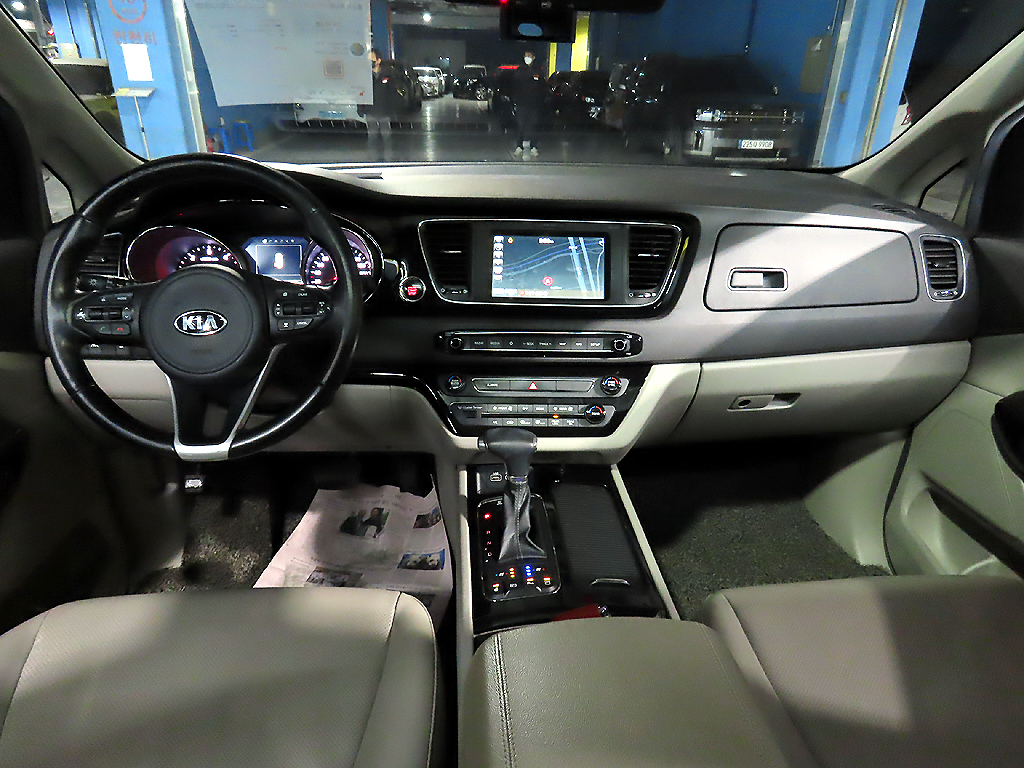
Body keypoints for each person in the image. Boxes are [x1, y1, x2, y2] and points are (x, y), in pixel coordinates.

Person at [359, 48, 398, 161]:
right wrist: (361, 108)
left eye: (372, 59)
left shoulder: (387, 75)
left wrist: (393, 111)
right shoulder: (365, 76)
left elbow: (392, 94)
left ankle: (388, 159)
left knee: (387, 138)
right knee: (372, 138)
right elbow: (360, 92)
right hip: (370, 111)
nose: (369, 61)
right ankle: (372, 160)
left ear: (378, 60)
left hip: (384, 112)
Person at [512, 50, 547, 158]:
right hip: (522, 104)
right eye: (526, 55)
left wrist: (541, 100)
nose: (527, 57)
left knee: (534, 125)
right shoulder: (520, 70)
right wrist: (515, 100)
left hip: (534, 104)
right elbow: (515, 86)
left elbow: (542, 87)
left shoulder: (538, 70)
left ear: (533, 57)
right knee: (521, 125)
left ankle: (534, 147)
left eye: (529, 56)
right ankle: (519, 146)